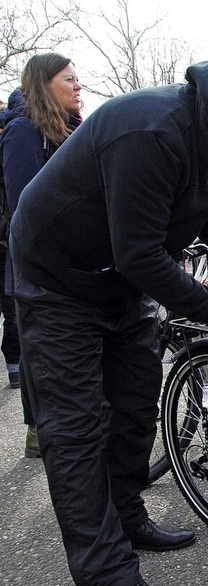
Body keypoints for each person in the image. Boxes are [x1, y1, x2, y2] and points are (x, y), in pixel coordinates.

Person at [10, 58, 208, 586]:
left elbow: (205, 208)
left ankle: (127, 517)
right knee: (75, 429)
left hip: (118, 277)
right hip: (58, 276)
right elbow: (139, 255)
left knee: (137, 403)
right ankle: (106, 572)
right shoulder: (152, 128)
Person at [0, 55, 83, 459]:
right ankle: (38, 428)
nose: (79, 86)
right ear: (43, 85)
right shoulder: (22, 132)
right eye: (69, 79)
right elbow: (23, 209)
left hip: (74, 257)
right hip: (37, 261)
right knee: (41, 349)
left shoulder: (74, 130)